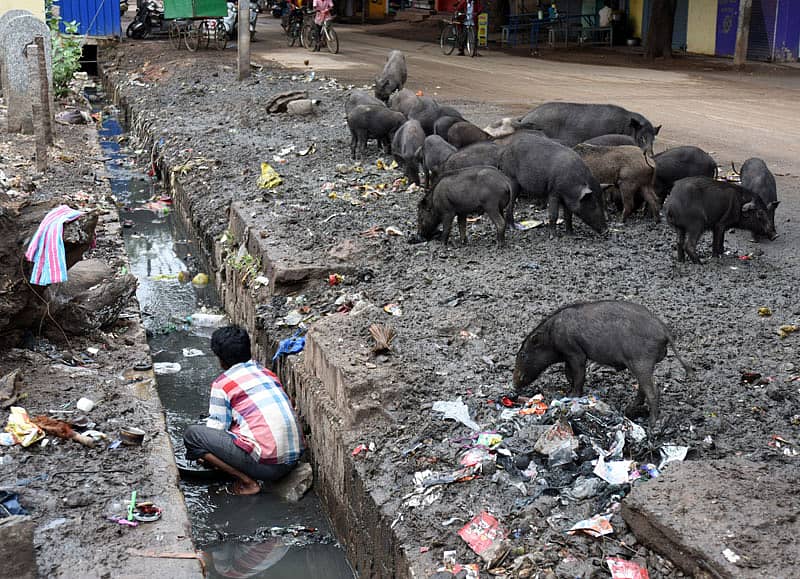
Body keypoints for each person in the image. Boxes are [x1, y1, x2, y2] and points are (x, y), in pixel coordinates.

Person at [183, 326, 304, 495]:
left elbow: (216, 429)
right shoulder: (266, 372)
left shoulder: (222, 384)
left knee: (193, 435)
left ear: (221, 360)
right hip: (293, 459)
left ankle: (247, 483)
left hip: (269, 467)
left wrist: (207, 457)